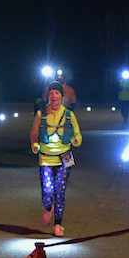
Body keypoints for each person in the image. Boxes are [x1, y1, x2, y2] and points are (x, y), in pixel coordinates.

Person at [30, 81, 81, 237]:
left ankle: (58, 224)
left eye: (57, 93)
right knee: (47, 191)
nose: (54, 96)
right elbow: (34, 133)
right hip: (46, 158)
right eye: (51, 93)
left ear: (61, 95)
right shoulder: (41, 114)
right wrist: (35, 144)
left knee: (59, 191)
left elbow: (78, 134)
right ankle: (48, 208)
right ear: (48, 96)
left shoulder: (69, 115)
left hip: (64, 158)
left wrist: (75, 141)